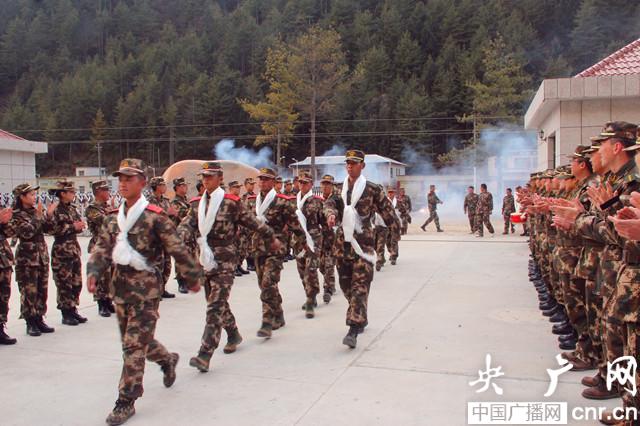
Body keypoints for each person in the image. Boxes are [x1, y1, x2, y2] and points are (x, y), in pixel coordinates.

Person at [86, 159, 202, 426]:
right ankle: (167, 359)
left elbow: (177, 248)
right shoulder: (112, 217)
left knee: (133, 345)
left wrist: (192, 276)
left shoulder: (155, 217)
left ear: (142, 183)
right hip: (120, 289)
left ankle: (125, 400)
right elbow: (102, 248)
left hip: (146, 291)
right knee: (138, 342)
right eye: (120, 179)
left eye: (129, 179)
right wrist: (93, 271)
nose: (123, 183)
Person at [177, 163, 276, 373]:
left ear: (220, 178)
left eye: (210, 176)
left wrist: (271, 236)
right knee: (216, 303)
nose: (206, 180)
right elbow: (186, 225)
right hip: (206, 259)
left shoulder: (231, 203)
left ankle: (205, 354)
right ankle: (233, 333)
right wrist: (176, 239)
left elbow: (252, 222)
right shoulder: (196, 204)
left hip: (226, 261)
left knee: (214, 306)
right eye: (203, 176)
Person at [325, 150, 399, 349]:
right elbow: (330, 204)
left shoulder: (373, 189)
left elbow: (389, 213)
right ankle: (361, 316)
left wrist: (394, 234)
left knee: (359, 288)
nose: (350, 166)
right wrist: (330, 214)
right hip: (342, 246)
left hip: (364, 247)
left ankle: (353, 329)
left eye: (354, 163)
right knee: (346, 286)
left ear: (362, 166)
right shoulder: (339, 189)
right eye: (348, 163)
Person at [252, 167, 304, 338]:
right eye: (260, 179)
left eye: (266, 179)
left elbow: (295, 225)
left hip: (276, 249)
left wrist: (304, 243)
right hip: (258, 248)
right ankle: (279, 313)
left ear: (274, 182)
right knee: (265, 285)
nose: (262, 182)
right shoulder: (253, 202)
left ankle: (267, 321)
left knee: (268, 283)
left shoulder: (282, 202)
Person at [10, 183, 55, 336]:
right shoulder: (16, 214)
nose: (34, 197)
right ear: (22, 197)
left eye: (34, 194)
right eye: (31, 194)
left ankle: (39, 318)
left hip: (41, 256)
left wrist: (48, 215)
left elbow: (49, 229)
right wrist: (38, 216)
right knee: (29, 291)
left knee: (42, 290)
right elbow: (27, 232)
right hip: (27, 259)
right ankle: (30, 322)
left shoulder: (35, 212)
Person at [48, 180, 87, 326]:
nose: (73, 194)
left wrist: (79, 226)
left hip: (74, 248)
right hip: (62, 250)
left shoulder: (72, 208)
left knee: (76, 282)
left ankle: (73, 308)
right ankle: (66, 313)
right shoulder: (56, 209)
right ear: (63, 194)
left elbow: (78, 225)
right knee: (64, 283)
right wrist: (72, 227)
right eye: (71, 192)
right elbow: (51, 229)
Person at [294, 172, 325, 319]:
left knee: (310, 270)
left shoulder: (317, 201)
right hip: (298, 240)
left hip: (313, 239)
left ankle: (310, 300)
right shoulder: (293, 200)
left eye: (305, 182)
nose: (302, 185)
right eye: (300, 182)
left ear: (311, 184)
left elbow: (324, 222)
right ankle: (310, 293)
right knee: (302, 270)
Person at [86, 180, 116, 317]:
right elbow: (105, 221)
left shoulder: (107, 207)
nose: (108, 192)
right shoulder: (92, 209)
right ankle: (101, 303)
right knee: (102, 275)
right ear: (98, 192)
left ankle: (108, 300)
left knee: (111, 275)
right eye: (105, 190)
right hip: (100, 245)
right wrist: (112, 213)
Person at [147, 177, 178, 298]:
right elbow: (151, 218)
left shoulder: (166, 201)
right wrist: (167, 213)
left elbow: (171, 217)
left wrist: (173, 215)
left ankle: (162, 288)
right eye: (162, 185)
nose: (165, 187)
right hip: (155, 238)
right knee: (156, 264)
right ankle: (155, 291)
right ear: (156, 187)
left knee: (167, 264)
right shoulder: (149, 201)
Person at [319, 174, 341, 303]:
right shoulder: (317, 200)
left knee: (328, 264)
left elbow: (335, 212)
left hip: (333, 238)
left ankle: (327, 289)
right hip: (319, 239)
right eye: (324, 184)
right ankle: (331, 283)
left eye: (328, 184)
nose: (325, 186)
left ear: (332, 186)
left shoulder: (337, 200)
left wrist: (332, 216)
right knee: (321, 266)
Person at [171, 177, 191, 293]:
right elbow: (183, 216)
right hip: (180, 235)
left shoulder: (186, 201)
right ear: (177, 188)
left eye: (185, 185)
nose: (185, 187)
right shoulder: (175, 203)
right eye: (182, 185)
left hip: (189, 235)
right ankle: (181, 282)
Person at [227, 180, 250, 277]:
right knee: (234, 249)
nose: (238, 189)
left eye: (239, 187)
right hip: (233, 230)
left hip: (242, 229)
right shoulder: (228, 201)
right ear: (230, 189)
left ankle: (239, 265)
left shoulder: (239, 200)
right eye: (236, 187)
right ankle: (233, 268)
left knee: (242, 248)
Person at [0, 205, 16, 344]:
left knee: (3, 297)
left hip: (3, 261)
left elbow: (11, 232)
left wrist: (5, 222)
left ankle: (0, 328)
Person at [386, 187, 405, 265]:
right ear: (387, 193)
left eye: (392, 192)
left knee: (394, 240)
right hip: (386, 224)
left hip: (395, 224)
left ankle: (394, 257)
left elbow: (404, 212)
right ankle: (391, 252)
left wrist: (404, 222)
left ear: (394, 193)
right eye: (389, 192)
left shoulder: (398, 202)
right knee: (387, 241)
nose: (390, 194)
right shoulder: (384, 202)